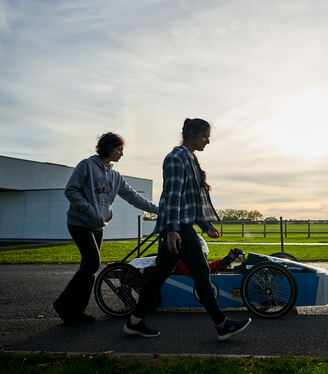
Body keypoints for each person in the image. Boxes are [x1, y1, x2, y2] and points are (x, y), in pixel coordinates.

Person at [123, 118, 252, 340]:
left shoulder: (191, 159)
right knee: (201, 272)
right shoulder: (176, 158)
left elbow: (191, 200)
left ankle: (134, 321)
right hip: (178, 226)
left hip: (181, 224)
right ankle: (222, 325)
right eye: (204, 136)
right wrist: (173, 230)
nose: (208, 141)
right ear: (191, 133)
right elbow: (172, 197)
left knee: (159, 275)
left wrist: (205, 224)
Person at [53, 132, 158, 325]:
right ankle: (62, 304)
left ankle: (76, 312)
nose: (122, 154)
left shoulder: (116, 176)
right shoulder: (86, 166)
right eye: (119, 149)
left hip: (97, 226)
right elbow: (71, 190)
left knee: (89, 267)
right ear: (108, 148)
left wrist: (158, 210)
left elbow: (134, 197)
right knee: (92, 264)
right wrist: (87, 209)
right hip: (79, 223)